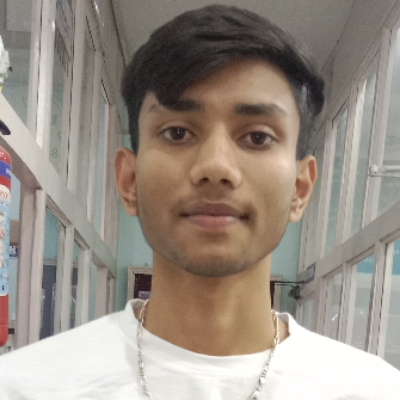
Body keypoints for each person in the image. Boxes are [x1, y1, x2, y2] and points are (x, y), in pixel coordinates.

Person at [0, 5, 399, 399]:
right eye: (177, 132)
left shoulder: (374, 390)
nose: (216, 166)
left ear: (300, 188)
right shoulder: (23, 387)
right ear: (128, 180)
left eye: (257, 137)